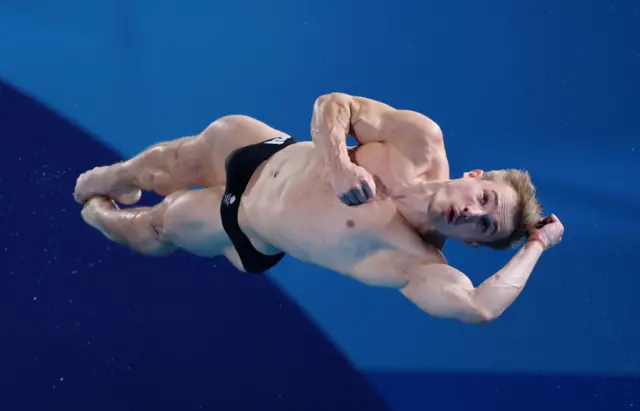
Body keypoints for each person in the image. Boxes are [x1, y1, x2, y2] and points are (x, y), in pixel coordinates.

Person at [74, 93, 564, 324]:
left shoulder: (415, 263)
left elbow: (480, 307)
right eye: (484, 199)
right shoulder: (420, 140)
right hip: (264, 150)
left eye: (484, 226)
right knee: (161, 166)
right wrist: (338, 166)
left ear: (474, 243)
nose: (473, 213)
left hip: (242, 228)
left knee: (152, 229)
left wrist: (536, 243)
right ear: (473, 176)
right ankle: (107, 180)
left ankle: (96, 214)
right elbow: (334, 104)